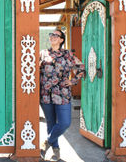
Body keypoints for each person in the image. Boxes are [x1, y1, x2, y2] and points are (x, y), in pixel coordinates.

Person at [39, 29, 85, 161]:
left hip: (63, 94)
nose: (52, 36)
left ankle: (46, 143)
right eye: (51, 35)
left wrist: (72, 81)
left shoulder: (68, 55)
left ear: (61, 40)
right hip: (46, 95)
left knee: (65, 123)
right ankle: (56, 153)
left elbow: (81, 68)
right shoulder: (43, 54)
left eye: (56, 35)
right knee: (51, 124)